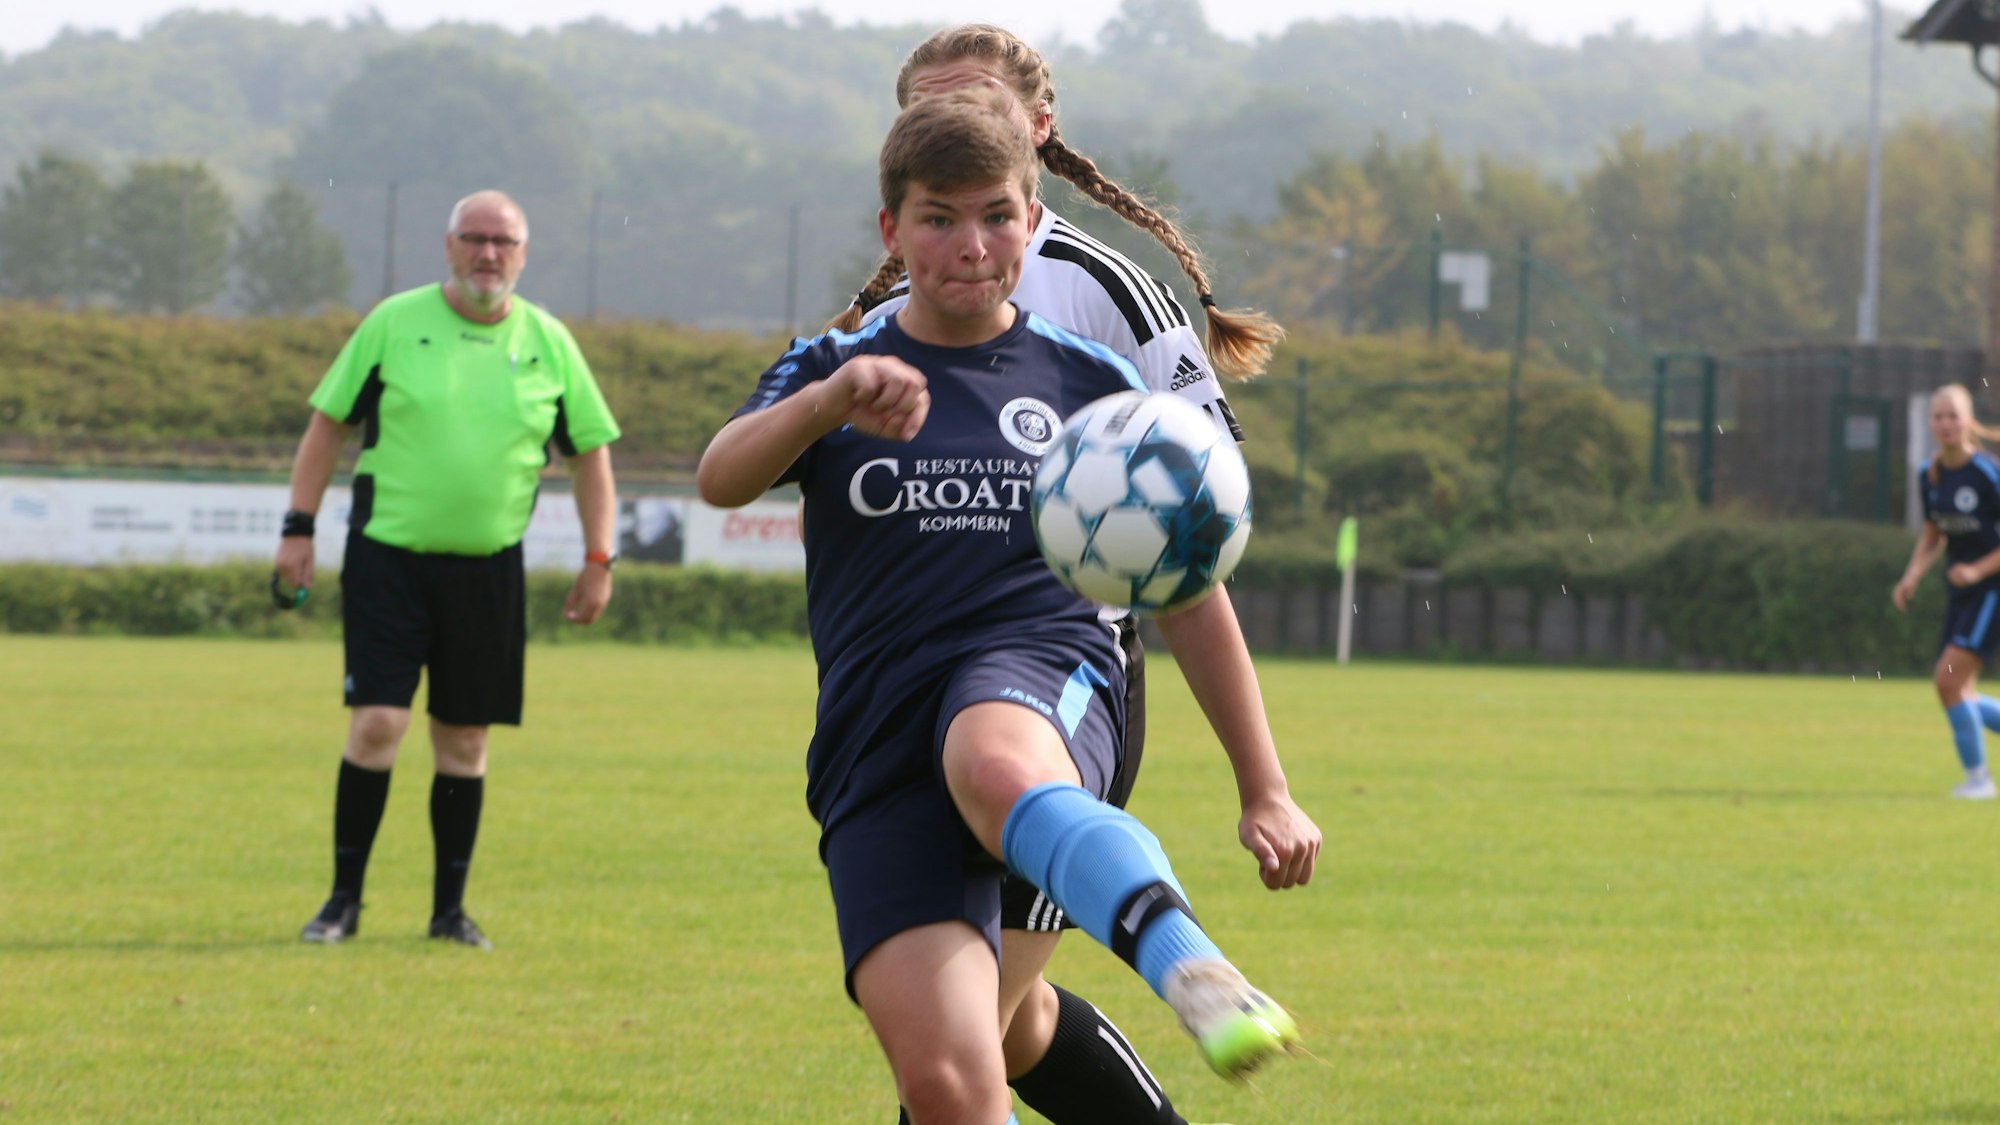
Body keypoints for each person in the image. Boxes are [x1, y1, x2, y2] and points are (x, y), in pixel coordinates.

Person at [699, 86, 1314, 1125]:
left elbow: (1188, 590)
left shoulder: (1094, 382)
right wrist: (830, 400)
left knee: (990, 757)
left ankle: (1189, 966)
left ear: (1032, 222)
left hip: (1039, 675)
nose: (970, 244)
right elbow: (720, 476)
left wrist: (1265, 787)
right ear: (893, 230)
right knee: (953, 1080)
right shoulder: (834, 370)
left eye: (995, 215)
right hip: (875, 741)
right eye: (938, 218)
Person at [277, 189, 622, 948]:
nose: (488, 253)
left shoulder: (550, 342)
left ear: (524, 255)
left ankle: (448, 912)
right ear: (448, 246)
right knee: (377, 724)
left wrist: (600, 557)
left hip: (489, 571)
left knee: (464, 740)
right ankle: (341, 904)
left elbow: (591, 456)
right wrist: (297, 529)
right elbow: (326, 426)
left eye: (503, 241)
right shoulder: (393, 324)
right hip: (387, 560)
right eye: (474, 238)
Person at [1895, 383, 2000, 800]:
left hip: (1993, 591)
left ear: (1968, 420)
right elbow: (1933, 535)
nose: (1946, 424)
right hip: (1961, 596)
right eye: (1938, 417)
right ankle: (1978, 779)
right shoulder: (1929, 473)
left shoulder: (1987, 472)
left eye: (1953, 415)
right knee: (1960, 691)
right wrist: (1912, 575)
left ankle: (1979, 781)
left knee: (1948, 683)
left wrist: (1976, 570)